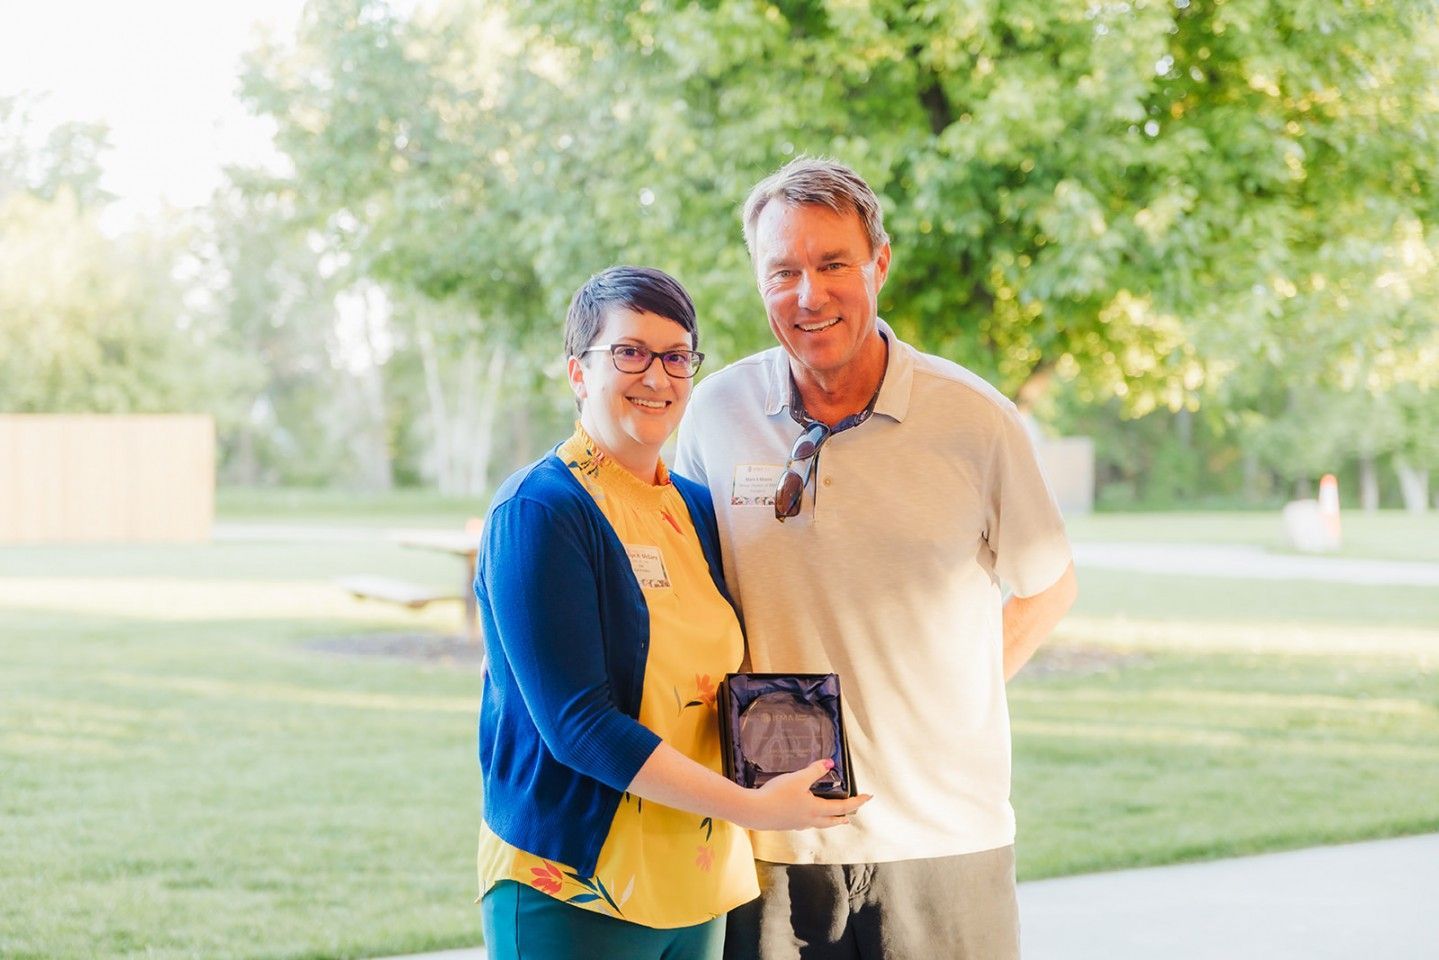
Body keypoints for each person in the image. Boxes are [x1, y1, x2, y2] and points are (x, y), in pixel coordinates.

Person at [674, 159, 1079, 960]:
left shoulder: (974, 419)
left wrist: (951, 697)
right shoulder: (714, 414)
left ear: (878, 264)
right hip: (773, 846)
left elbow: (1048, 586)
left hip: (941, 837)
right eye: (781, 271)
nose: (807, 295)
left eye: (832, 264)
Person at [473, 265, 870, 960]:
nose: (656, 376)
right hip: (574, 884)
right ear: (577, 371)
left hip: (695, 877)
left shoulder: (691, 505)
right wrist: (750, 806)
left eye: (676, 356)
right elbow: (577, 725)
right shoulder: (539, 510)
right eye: (629, 352)